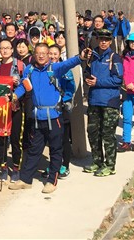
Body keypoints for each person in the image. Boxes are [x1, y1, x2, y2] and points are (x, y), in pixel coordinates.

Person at [9, 43, 90, 193]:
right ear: (34, 55)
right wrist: (15, 96)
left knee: (55, 150)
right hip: (37, 118)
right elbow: (23, 86)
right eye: (38, 53)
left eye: (44, 53)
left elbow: (69, 63)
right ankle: (25, 179)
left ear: (48, 55)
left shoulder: (55, 68)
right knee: (34, 150)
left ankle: (52, 181)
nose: (41, 56)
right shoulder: (29, 70)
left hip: (54, 118)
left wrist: (81, 57)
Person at [83, 29, 123, 176]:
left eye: (106, 40)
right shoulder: (92, 56)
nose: (103, 42)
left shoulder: (114, 57)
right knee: (93, 133)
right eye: (101, 39)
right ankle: (97, 161)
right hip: (94, 101)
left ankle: (110, 165)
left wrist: (98, 82)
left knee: (108, 134)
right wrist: (87, 78)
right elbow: (87, 72)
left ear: (110, 42)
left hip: (109, 102)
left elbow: (118, 79)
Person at [0, 37, 25, 183]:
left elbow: (26, 84)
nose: (5, 50)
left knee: (15, 139)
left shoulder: (20, 65)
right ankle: (3, 167)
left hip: (15, 107)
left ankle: (16, 168)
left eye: (7, 48)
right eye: (2, 48)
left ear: (12, 50)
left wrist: (16, 82)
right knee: (1, 138)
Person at [47, 44, 75, 179]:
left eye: (55, 54)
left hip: (62, 107)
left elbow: (71, 88)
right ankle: (53, 164)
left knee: (64, 138)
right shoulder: (44, 69)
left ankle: (65, 165)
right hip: (48, 108)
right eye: (50, 53)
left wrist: (63, 99)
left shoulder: (65, 69)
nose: (52, 56)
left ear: (59, 55)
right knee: (52, 138)